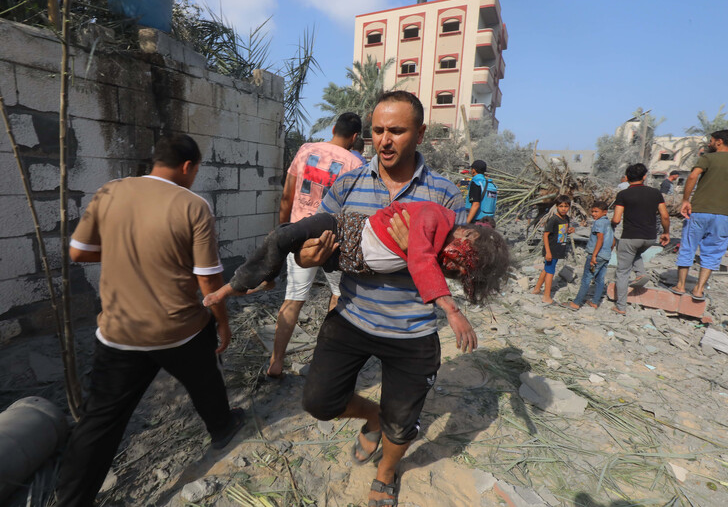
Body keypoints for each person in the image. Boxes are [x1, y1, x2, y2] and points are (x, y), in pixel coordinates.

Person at [296, 92, 502, 507]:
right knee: (319, 402)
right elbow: (314, 242)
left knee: (402, 420)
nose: (384, 140)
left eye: (397, 130)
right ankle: (369, 415)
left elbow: (459, 266)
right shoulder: (347, 183)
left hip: (412, 330)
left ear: (420, 133)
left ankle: (387, 472)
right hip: (350, 316)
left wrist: (420, 253)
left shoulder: (444, 195)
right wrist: (307, 254)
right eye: (377, 130)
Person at [53, 135, 244, 507]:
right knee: (206, 378)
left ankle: (71, 501)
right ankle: (222, 428)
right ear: (188, 167)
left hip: (119, 331)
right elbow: (208, 279)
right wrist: (222, 322)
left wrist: (129, 251)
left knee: (100, 420)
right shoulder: (193, 205)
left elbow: (78, 251)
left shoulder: (109, 192)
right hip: (179, 330)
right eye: (195, 171)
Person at [203, 200, 509, 309]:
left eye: (454, 272)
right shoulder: (435, 217)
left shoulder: (438, 238)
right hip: (338, 229)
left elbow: (424, 264)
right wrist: (306, 260)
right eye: (380, 130)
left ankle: (268, 275)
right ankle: (235, 285)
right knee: (284, 236)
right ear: (467, 233)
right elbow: (422, 260)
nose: (448, 266)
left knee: (285, 237)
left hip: (347, 262)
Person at [269, 113, 363, 378]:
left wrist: (284, 231)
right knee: (338, 296)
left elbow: (287, 196)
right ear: (355, 137)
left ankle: (276, 362)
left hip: (300, 236)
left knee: (293, 298)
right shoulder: (356, 162)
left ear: (334, 129)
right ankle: (325, 361)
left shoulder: (306, 150)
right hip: (333, 241)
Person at [670, 130, 728, 300]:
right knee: (713, 252)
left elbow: (693, 176)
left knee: (688, 245)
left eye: (711, 141)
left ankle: (680, 286)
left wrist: (686, 200)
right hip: (724, 216)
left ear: (719, 142)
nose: (709, 144)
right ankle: (698, 290)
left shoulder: (708, 158)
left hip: (699, 210)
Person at [611, 163, 670, 315]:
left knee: (623, 272)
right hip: (650, 237)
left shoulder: (623, 195)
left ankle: (621, 306)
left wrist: (610, 225)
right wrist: (666, 232)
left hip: (630, 236)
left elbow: (617, 219)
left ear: (627, 177)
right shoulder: (655, 193)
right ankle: (640, 273)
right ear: (644, 177)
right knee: (636, 253)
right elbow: (664, 215)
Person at [564, 200, 613, 310]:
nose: (594, 214)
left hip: (596, 255)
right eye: (592, 211)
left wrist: (594, 256)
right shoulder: (607, 223)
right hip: (605, 255)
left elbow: (600, 239)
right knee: (600, 279)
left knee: (586, 279)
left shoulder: (599, 223)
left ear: (605, 212)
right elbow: (613, 240)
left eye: (596, 211)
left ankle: (576, 303)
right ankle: (595, 302)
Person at [531, 195, 574, 304]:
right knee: (550, 271)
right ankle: (546, 296)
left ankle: (536, 289)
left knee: (547, 269)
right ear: (556, 207)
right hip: (552, 249)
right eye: (561, 206)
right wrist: (548, 252)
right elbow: (545, 235)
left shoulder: (566, 218)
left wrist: (568, 230)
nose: (563, 208)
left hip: (559, 248)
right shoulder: (554, 219)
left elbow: (561, 231)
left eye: (566, 206)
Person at [464, 159, 498, 224]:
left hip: (477, 222)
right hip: (489, 222)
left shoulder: (476, 183)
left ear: (473, 170)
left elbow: (476, 204)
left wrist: (466, 223)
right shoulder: (491, 185)